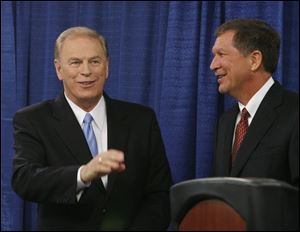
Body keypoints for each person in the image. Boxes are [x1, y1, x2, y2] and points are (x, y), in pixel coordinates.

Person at [11, 26, 173, 230]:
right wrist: (83, 174)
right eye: (76, 62)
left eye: (94, 61)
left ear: (107, 67)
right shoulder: (33, 119)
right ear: (59, 69)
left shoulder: (141, 119)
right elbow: (25, 180)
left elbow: (160, 194)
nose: (86, 71)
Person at [210, 19, 299, 186]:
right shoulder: (225, 122)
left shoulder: (294, 112)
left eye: (221, 54)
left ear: (254, 60)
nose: (213, 65)